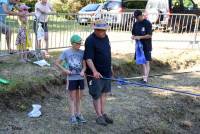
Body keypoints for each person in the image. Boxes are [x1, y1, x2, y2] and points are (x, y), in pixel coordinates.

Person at [84, 19, 113, 126]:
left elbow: (108, 53)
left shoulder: (106, 37)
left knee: (104, 93)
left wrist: (110, 67)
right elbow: (88, 58)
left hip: (106, 72)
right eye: (101, 30)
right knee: (96, 94)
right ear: (96, 30)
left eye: (105, 30)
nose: (104, 32)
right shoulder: (90, 40)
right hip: (95, 74)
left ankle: (103, 112)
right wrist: (94, 71)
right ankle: (98, 116)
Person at [56, 35, 87, 125]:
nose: (79, 45)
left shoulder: (82, 52)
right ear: (72, 43)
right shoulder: (66, 52)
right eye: (78, 43)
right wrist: (65, 70)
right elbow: (57, 63)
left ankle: (79, 114)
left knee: (79, 98)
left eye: (80, 43)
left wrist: (83, 71)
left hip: (80, 78)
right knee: (72, 98)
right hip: (71, 78)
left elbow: (84, 66)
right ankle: (72, 116)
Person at [131, 10, 153, 83]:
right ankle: (143, 76)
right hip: (138, 46)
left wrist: (140, 37)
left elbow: (149, 35)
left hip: (146, 45)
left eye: (137, 17)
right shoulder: (135, 24)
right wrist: (133, 36)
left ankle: (145, 79)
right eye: (135, 18)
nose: (136, 19)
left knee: (146, 61)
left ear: (141, 15)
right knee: (140, 62)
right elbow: (133, 33)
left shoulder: (147, 23)